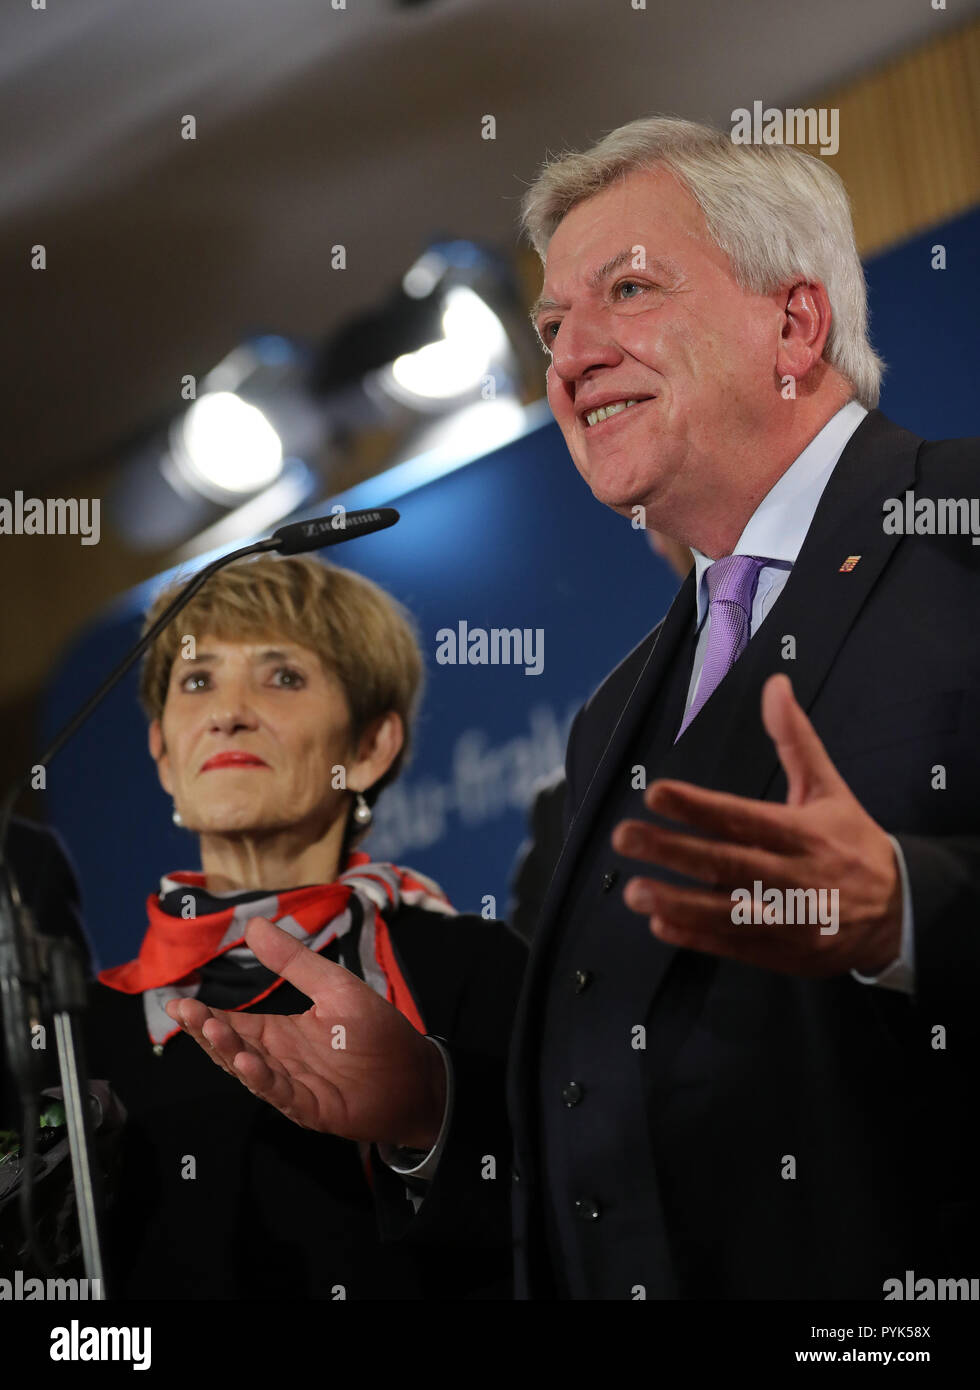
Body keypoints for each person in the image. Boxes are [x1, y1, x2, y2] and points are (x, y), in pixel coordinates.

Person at [168, 117, 979, 1300]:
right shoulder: (610, 722)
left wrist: (908, 913)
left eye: (629, 292)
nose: (568, 355)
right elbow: (614, 1144)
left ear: (794, 324)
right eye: (551, 325)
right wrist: (427, 1106)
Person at [84, 553, 525, 1299]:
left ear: (367, 748)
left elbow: (581, 1217)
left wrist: (426, 1109)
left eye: (282, 676)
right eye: (198, 680)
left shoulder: (474, 966)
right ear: (162, 753)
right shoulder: (78, 1030)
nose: (228, 711)